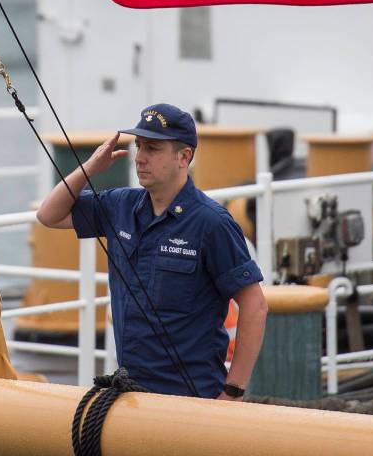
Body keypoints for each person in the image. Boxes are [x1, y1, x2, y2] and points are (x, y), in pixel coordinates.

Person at [36, 103, 268, 399]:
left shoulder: (211, 223)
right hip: (132, 392)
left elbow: (255, 306)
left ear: (184, 157)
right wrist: (91, 166)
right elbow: (49, 215)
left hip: (192, 395)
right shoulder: (121, 206)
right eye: (139, 146)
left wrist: (232, 392)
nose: (140, 158)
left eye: (153, 148)